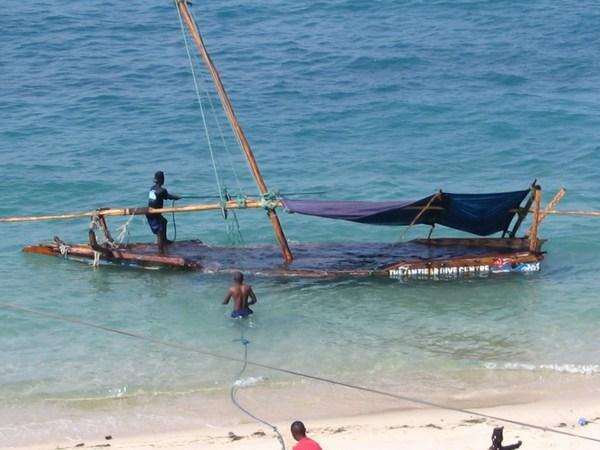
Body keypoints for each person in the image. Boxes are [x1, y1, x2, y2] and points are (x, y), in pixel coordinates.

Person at [145, 171, 181, 253]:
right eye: (163, 178)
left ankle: (164, 240)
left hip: (152, 212)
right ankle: (160, 251)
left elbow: (164, 196)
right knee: (159, 231)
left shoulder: (152, 188)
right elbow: (167, 196)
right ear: (161, 180)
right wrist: (176, 197)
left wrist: (174, 197)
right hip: (153, 213)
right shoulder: (162, 190)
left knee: (164, 221)